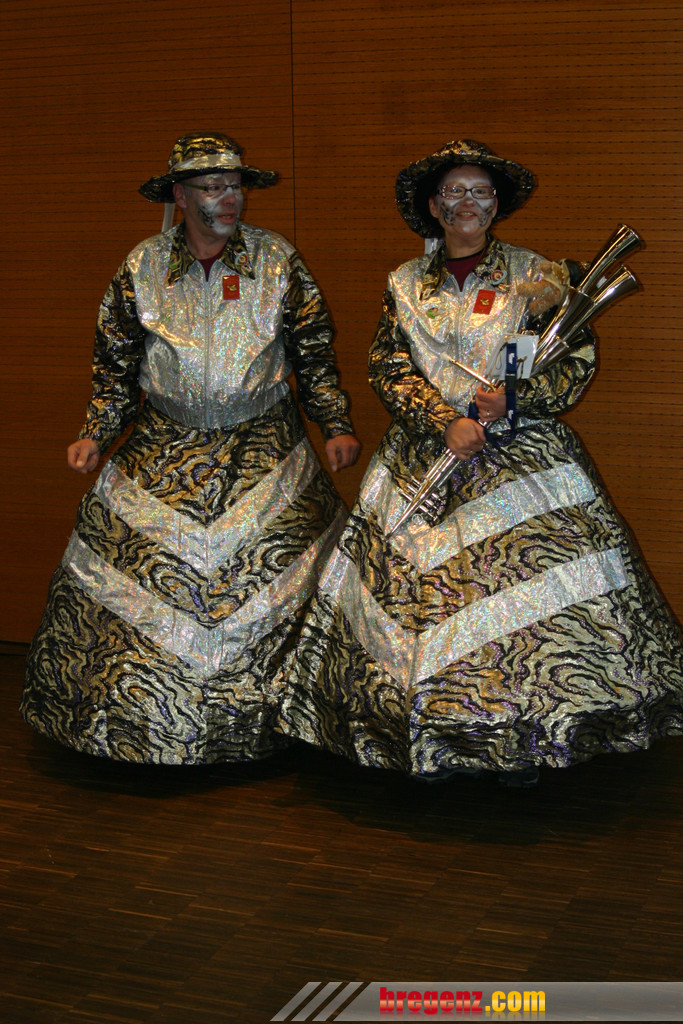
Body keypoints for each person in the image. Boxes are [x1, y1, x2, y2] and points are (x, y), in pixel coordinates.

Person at [277, 139, 683, 785]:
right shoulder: (404, 282)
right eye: (454, 192)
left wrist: (516, 400)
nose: (467, 203)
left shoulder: (538, 275)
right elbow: (387, 365)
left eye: (480, 192)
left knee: (519, 591)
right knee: (415, 592)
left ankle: (522, 736)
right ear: (434, 206)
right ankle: (419, 728)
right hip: (423, 454)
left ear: (496, 205)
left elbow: (573, 361)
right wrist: (444, 421)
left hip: (519, 456)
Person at [21, 132, 360, 765]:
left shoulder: (278, 261)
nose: (229, 199)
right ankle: (136, 723)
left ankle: (283, 722)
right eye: (212, 187)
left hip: (264, 442)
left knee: (281, 570)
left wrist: (334, 425)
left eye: (235, 186)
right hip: (164, 440)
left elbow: (313, 354)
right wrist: (96, 432)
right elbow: (115, 365)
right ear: (179, 196)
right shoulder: (142, 267)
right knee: (128, 564)